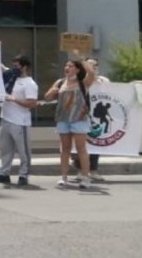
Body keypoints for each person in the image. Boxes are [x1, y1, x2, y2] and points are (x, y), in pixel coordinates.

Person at [45, 58, 97, 189]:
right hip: (63, 119)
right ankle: (63, 177)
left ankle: (85, 178)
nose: (67, 68)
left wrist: (83, 60)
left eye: (71, 66)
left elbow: (91, 75)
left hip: (79, 119)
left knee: (81, 149)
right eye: (66, 65)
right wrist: (52, 92)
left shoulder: (82, 83)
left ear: (77, 69)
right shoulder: (60, 82)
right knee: (64, 149)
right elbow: (47, 97)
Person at [0, 54, 38, 186]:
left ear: (24, 67)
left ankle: (24, 175)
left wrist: (14, 99)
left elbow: (32, 103)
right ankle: (3, 173)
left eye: (17, 66)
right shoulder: (12, 77)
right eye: (13, 66)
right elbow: (0, 67)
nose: (14, 68)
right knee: (6, 149)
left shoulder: (30, 84)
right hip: (6, 119)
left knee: (23, 151)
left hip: (20, 122)